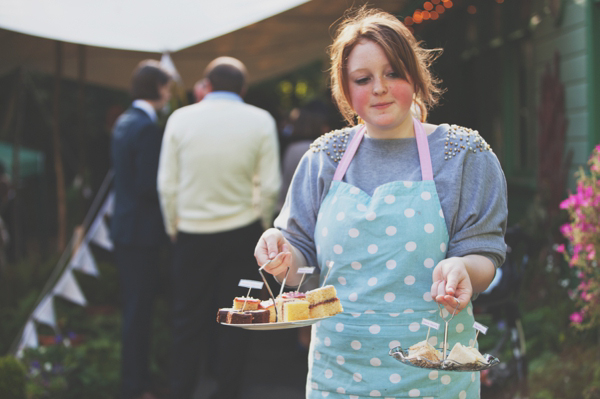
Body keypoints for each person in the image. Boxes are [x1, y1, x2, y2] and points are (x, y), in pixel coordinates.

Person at [254, 8, 508, 399]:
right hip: (339, 373)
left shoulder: (463, 154)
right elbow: (300, 264)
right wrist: (280, 253)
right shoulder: (324, 158)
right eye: (363, 78)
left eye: (393, 73)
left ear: (415, 76)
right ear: (345, 87)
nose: (379, 88)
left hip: (434, 378)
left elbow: (484, 254)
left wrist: (463, 267)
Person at [157, 56, 281, 399]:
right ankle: (228, 391)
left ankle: (181, 390)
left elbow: (167, 184)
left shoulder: (180, 119)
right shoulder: (261, 120)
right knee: (238, 315)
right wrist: (263, 224)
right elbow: (270, 185)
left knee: (186, 318)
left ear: (206, 85)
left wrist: (173, 227)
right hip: (242, 232)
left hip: (191, 233)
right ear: (243, 89)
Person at [110, 59, 172, 399]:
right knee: (139, 311)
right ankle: (136, 386)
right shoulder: (147, 128)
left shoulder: (124, 121)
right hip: (142, 232)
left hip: (126, 229)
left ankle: (135, 382)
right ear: (159, 88)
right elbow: (149, 185)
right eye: (167, 86)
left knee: (134, 309)